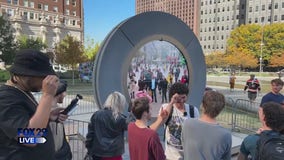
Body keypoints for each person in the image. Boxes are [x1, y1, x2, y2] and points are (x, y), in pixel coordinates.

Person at [0, 49, 60, 160]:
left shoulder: (23, 91)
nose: (45, 82)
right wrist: (47, 95)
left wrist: (48, 116)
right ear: (24, 75)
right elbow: (29, 138)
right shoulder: (5, 98)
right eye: (42, 77)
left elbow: (31, 123)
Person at [182, 90, 232, 160]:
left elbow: (184, 147)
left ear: (202, 105)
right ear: (221, 109)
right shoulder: (225, 135)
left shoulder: (187, 124)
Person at [161, 82, 200, 160]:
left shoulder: (193, 110)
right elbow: (161, 122)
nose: (182, 101)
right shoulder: (166, 108)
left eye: (184, 98)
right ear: (173, 97)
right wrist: (171, 102)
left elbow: (197, 131)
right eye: (178, 99)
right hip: (170, 156)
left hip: (188, 155)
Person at [85, 91, 127, 160]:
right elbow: (131, 125)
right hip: (113, 153)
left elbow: (90, 134)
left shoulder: (96, 115)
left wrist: (89, 149)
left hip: (97, 152)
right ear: (120, 104)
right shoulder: (120, 119)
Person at [49, 80, 72, 160]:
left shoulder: (55, 109)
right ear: (60, 93)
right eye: (65, 92)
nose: (66, 94)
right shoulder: (50, 111)